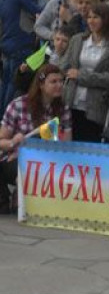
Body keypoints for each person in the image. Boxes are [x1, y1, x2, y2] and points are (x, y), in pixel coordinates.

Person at [0, 64, 72, 213]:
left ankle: (25, 198)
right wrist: (13, 142)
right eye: (53, 82)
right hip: (15, 157)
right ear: (41, 85)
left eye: (61, 81)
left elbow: (67, 145)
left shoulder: (63, 109)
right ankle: (10, 197)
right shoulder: (18, 105)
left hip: (47, 160)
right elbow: (1, 141)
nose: (59, 85)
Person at [61, 2, 109, 142]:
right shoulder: (77, 40)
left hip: (95, 107)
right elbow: (64, 66)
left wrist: (82, 76)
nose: (91, 21)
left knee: (87, 143)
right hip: (70, 101)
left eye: (95, 17)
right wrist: (68, 73)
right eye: (89, 17)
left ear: (106, 20)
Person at [0, 0, 41, 112]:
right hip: (21, 44)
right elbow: (40, 11)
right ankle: (8, 117)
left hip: (7, 44)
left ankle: (2, 116)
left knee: (5, 83)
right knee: (15, 84)